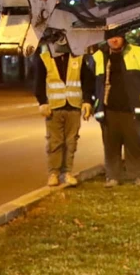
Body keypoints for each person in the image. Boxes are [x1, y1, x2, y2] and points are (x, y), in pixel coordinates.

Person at [90, 30, 140, 187]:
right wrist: (89, 102)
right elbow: (90, 82)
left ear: (123, 37)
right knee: (111, 145)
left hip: (132, 109)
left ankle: (138, 175)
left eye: (117, 37)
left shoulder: (137, 52)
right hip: (108, 109)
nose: (114, 40)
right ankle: (112, 176)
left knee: (134, 143)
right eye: (110, 37)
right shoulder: (98, 56)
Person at [33, 31, 94, 187]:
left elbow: (87, 80)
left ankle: (67, 172)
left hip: (73, 106)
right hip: (54, 107)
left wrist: (87, 101)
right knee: (55, 142)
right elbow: (38, 82)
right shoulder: (44, 58)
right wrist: (42, 102)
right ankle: (53, 173)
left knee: (71, 142)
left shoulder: (77, 57)